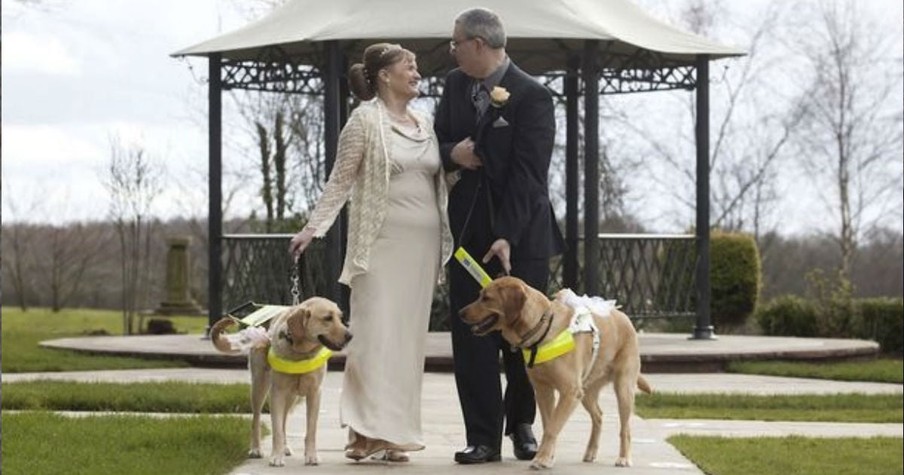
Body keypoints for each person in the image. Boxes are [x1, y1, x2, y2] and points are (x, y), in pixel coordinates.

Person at [289, 42, 453, 463]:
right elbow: (340, 181)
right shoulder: (363, 121)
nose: (417, 73)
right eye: (409, 66)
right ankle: (363, 432)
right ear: (385, 75)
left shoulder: (425, 122)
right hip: (378, 245)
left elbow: (438, 177)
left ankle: (394, 433)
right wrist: (314, 227)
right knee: (373, 336)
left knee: (406, 340)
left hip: (423, 247)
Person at [434, 7, 566, 465]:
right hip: (468, 234)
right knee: (472, 333)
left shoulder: (533, 97)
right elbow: (437, 141)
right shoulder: (453, 85)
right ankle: (482, 437)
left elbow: (531, 176)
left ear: (478, 44)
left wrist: (508, 234)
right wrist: (456, 153)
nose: (450, 50)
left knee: (524, 334)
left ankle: (523, 426)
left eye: (455, 43)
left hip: (521, 235)